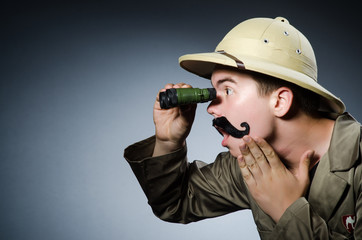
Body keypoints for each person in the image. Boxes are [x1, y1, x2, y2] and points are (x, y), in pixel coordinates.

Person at [124, 17, 362, 239]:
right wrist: (168, 142)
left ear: (280, 101)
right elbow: (174, 204)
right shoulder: (251, 163)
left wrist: (288, 210)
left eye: (227, 90)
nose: (211, 109)